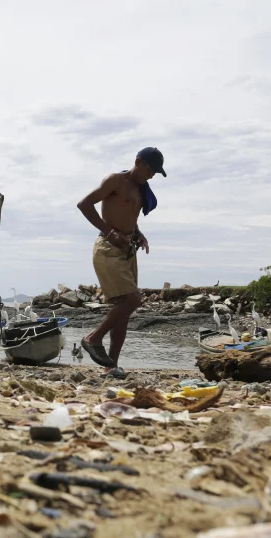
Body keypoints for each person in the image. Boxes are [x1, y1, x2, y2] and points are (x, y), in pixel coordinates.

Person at [76, 147, 167, 377]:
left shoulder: (140, 189)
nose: (152, 175)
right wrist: (109, 232)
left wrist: (139, 234)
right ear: (137, 161)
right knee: (133, 299)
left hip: (128, 249)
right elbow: (84, 204)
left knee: (123, 310)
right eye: (150, 170)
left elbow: (129, 219)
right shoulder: (115, 180)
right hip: (108, 248)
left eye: (155, 172)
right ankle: (93, 338)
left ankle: (110, 366)